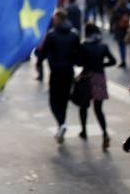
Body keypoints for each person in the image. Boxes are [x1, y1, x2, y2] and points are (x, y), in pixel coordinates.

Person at [39, 8, 80, 143]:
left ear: (58, 19)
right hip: (68, 71)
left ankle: (61, 124)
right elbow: (78, 54)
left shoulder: (52, 34)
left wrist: (38, 55)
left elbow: (43, 53)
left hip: (56, 72)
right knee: (63, 100)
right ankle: (61, 125)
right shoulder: (74, 34)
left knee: (53, 100)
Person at [76, 22, 116, 151]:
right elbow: (113, 61)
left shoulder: (84, 45)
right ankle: (104, 133)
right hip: (99, 78)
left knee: (83, 106)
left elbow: (79, 62)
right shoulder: (103, 46)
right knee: (98, 109)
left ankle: (84, 131)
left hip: (87, 78)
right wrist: (101, 65)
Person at [110, 0, 130, 68]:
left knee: (121, 45)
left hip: (119, 29)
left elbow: (113, 18)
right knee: (124, 45)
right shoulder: (128, 8)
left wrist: (111, 28)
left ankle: (123, 60)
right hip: (126, 29)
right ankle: (124, 59)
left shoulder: (117, 8)